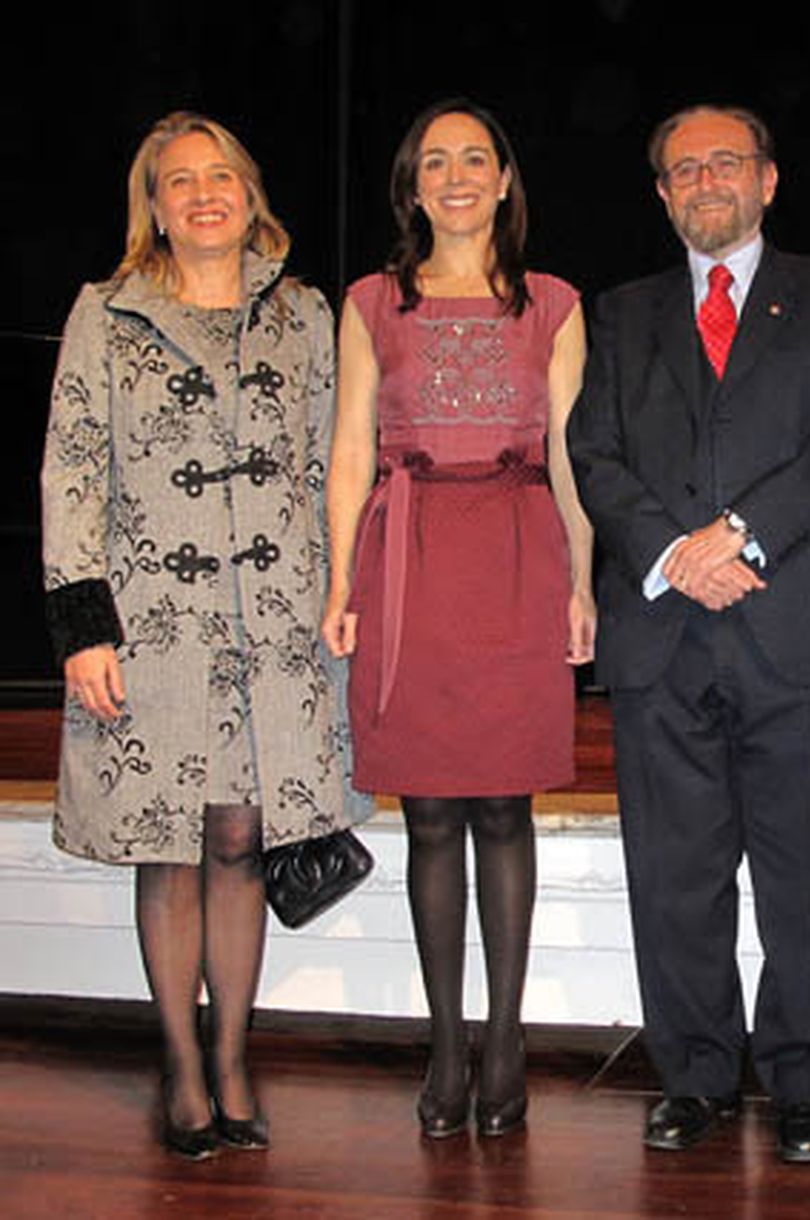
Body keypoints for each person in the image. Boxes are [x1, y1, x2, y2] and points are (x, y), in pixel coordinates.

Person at [40, 111, 367, 1159]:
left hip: (275, 628)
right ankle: (180, 1062)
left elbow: (335, 458)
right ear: (156, 206)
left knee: (241, 835)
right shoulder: (108, 312)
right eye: (179, 181)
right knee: (168, 842)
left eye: (220, 174)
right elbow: (72, 466)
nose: (203, 193)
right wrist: (84, 625)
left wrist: (342, 583)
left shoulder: (303, 312)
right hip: (153, 625)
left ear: (250, 190)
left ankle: (233, 1050)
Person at [567, 103, 810, 1164]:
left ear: (768, 178)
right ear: (661, 192)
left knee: (809, 870)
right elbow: (596, 453)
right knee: (674, 873)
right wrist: (672, 556)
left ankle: (806, 1078)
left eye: (727, 162)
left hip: (795, 622)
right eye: (684, 167)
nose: (707, 180)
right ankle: (695, 1073)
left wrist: (736, 537)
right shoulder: (621, 313)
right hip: (665, 632)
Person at [321, 99, 593, 1140]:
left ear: (505, 178)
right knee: (431, 813)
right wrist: (339, 580)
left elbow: (573, 456)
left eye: (474, 157)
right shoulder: (371, 302)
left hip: (520, 553)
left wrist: (582, 581)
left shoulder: (556, 303)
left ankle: (508, 1035)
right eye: (435, 161)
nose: (456, 175)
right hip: (408, 556)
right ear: (411, 186)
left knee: (503, 807)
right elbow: (349, 451)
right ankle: (445, 1040)